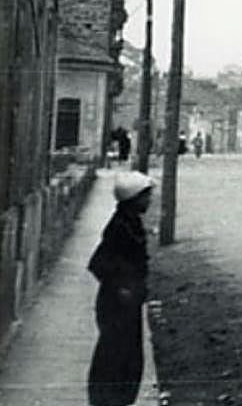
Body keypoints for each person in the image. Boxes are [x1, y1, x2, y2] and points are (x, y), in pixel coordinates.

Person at [87, 170, 154, 406]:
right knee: (114, 353)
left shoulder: (130, 223)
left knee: (127, 355)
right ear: (133, 199)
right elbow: (99, 264)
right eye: (145, 196)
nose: (149, 201)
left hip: (128, 301)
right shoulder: (120, 228)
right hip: (117, 303)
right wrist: (122, 287)